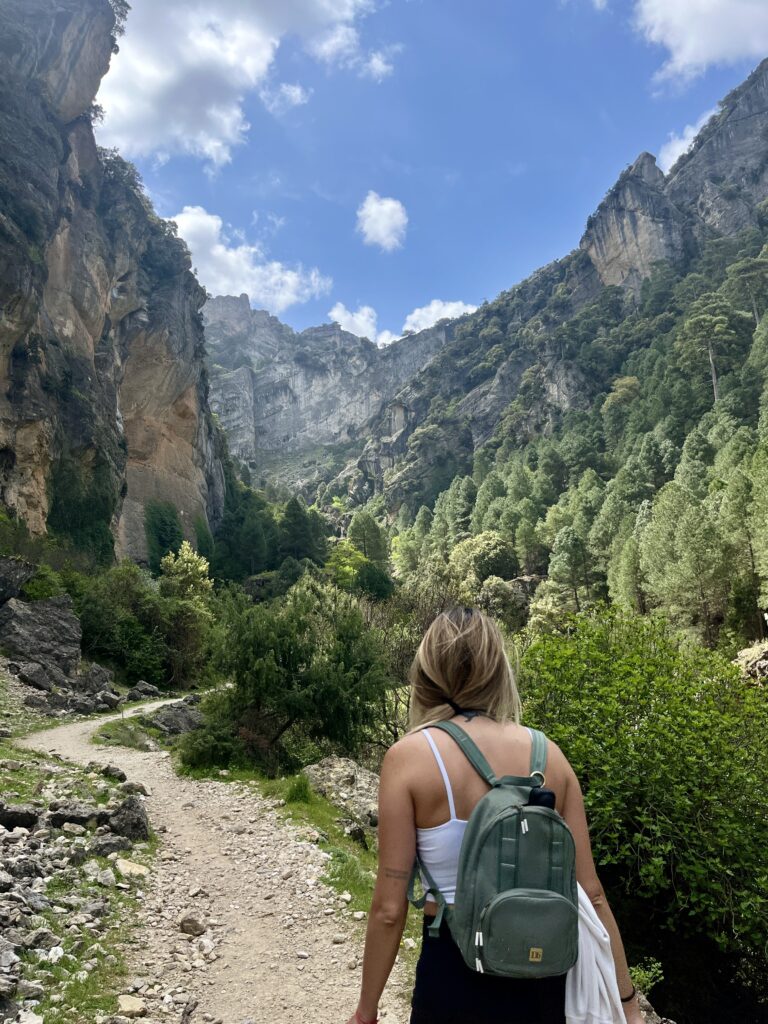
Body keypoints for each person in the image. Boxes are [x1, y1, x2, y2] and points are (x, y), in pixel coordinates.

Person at [345, 607, 645, 1024]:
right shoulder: (549, 757)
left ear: (428, 671)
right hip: (543, 978)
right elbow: (592, 896)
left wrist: (366, 1009)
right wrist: (627, 1002)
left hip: (452, 978)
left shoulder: (410, 759)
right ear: (498, 668)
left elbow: (389, 910)